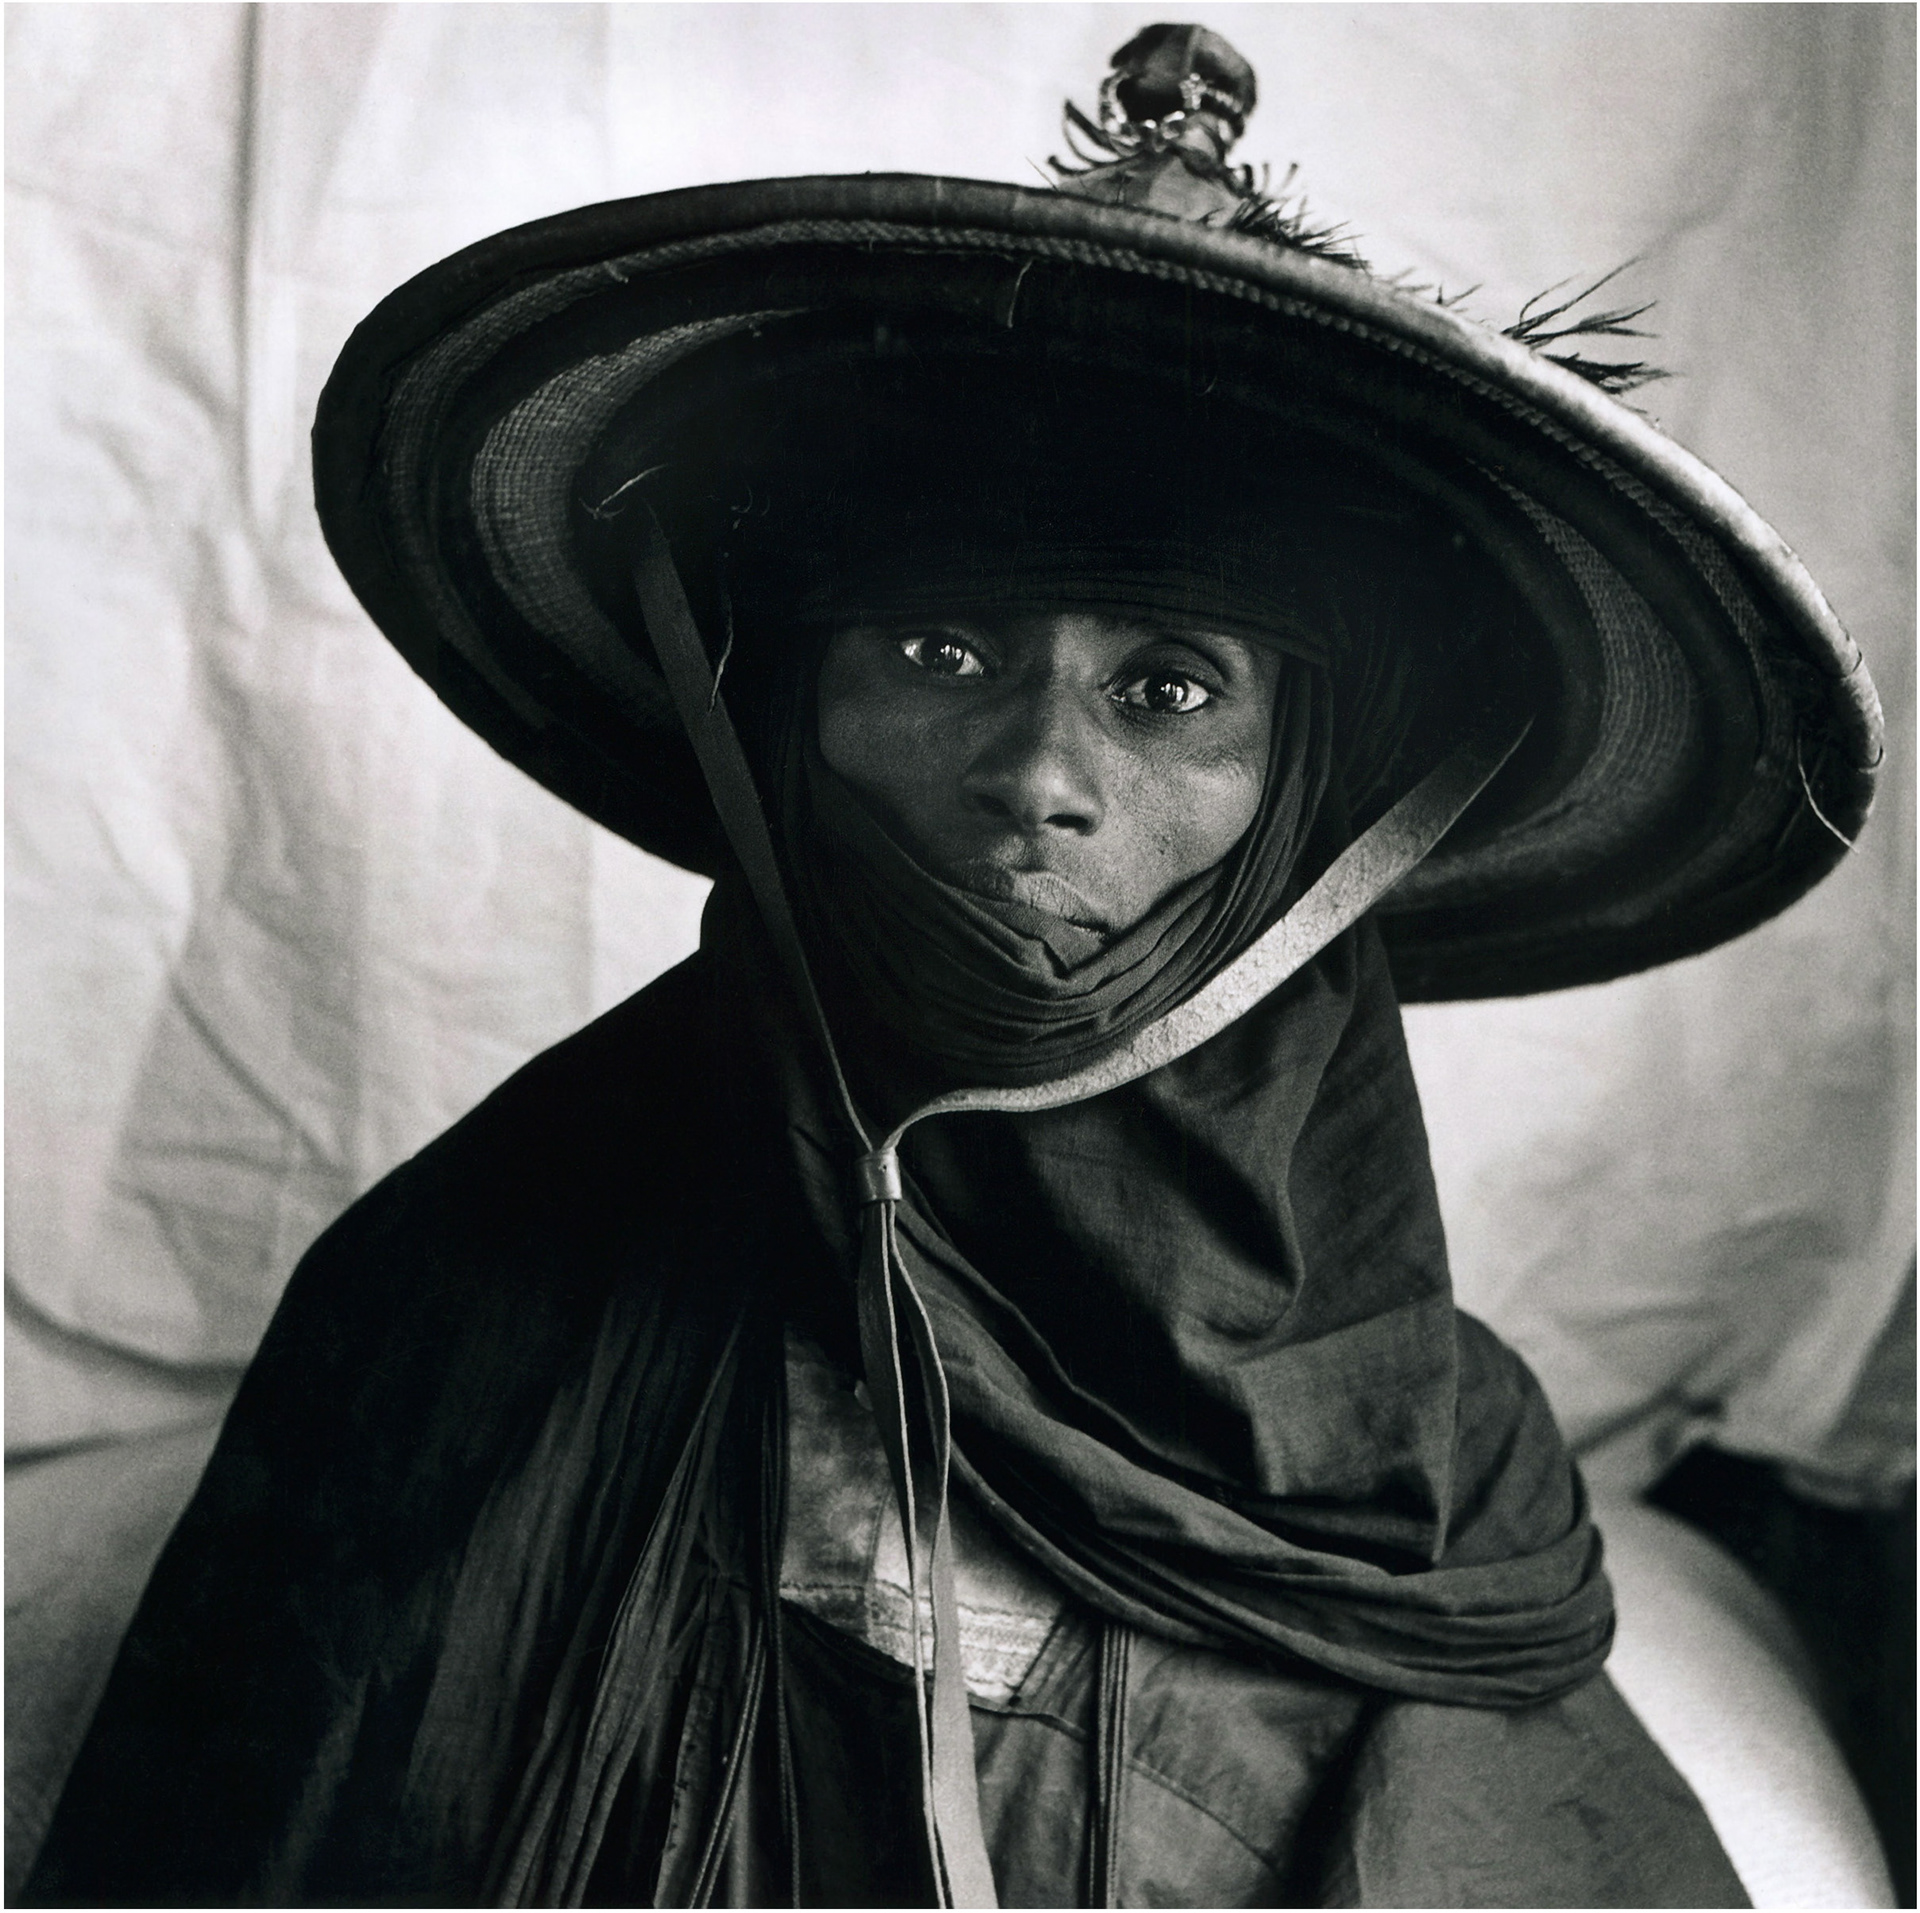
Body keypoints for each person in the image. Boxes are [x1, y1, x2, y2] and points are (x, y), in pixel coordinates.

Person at [25, 25, 1879, 1909]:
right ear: (785, 706)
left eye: (1169, 690)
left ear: (1315, 798)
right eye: (939, 655)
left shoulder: (1421, 1474)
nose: (1037, 774)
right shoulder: (457, 1300)